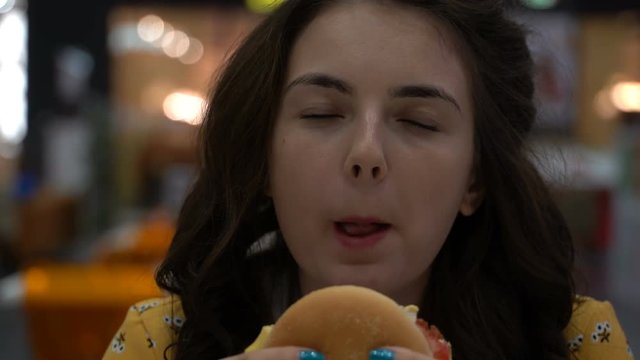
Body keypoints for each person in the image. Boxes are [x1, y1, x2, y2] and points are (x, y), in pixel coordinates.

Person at [103, 0, 634, 359]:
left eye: (419, 121)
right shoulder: (162, 341)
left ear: (475, 178)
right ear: (264, 160)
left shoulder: (575, 342)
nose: (366, 155)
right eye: (321, 114)